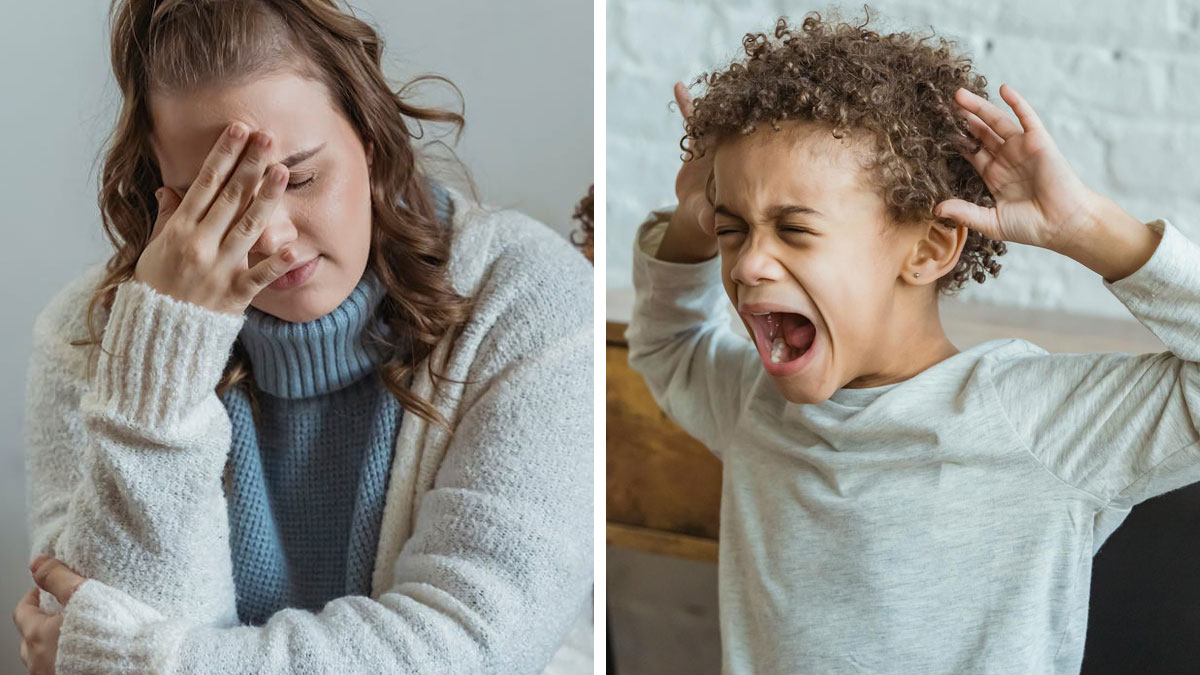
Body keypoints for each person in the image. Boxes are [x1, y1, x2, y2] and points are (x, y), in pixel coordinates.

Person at [12, 1, 593, 673]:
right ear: (162, 194)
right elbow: (101, 609)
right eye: (217, 200)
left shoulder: (527, 300)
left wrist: (154, 662)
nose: (273, 238)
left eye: (304, 178)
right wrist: (162, 362)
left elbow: (473, 644)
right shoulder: (89, 335)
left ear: (371, 140)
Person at [627, 12, 1200, 675]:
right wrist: (699, 212)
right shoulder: (754, 406)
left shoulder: (1036, 420)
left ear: (929, 248)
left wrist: (1084, 227)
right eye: (733, 230)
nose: (749, 263)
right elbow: (668, 342)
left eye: (794, 230)